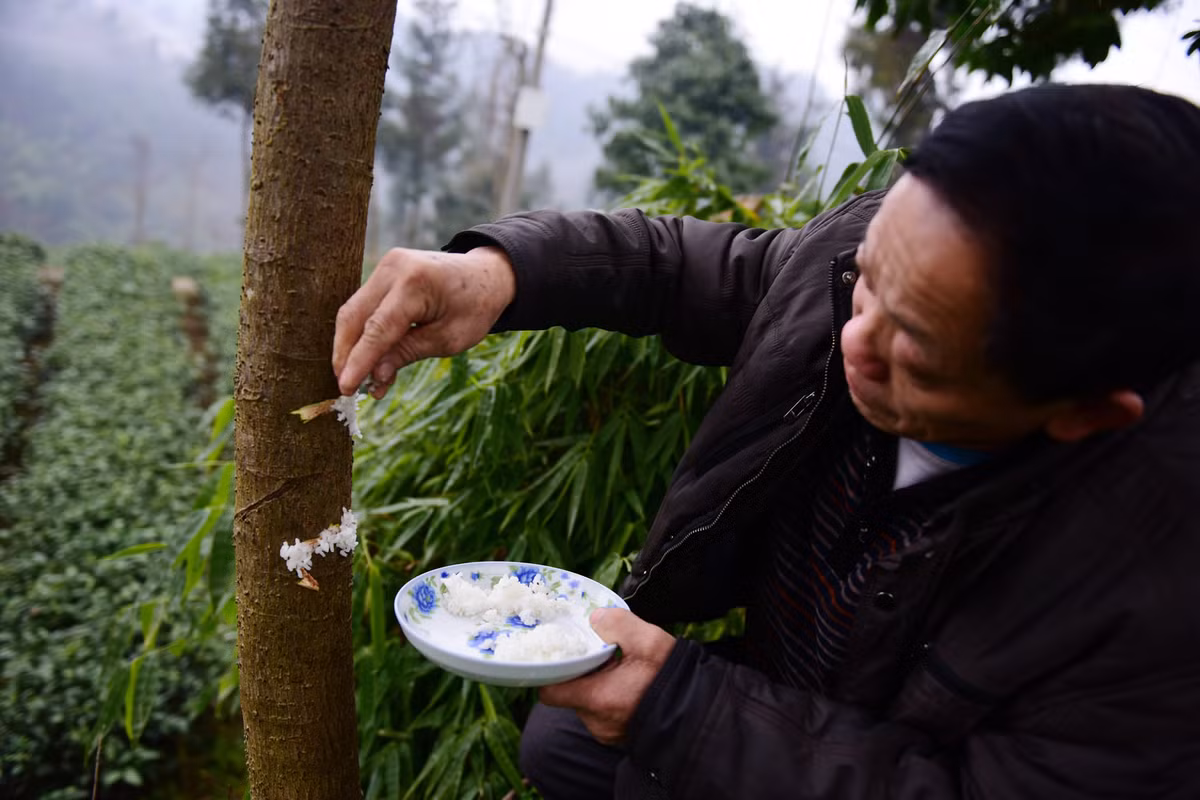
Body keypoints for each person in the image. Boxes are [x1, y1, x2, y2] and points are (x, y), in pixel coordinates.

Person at [332, 84, 1200, 798]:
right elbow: (679, 266)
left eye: (915, 350)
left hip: (893, 750)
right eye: (866, 286)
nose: (853, 339)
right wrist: (500, 273)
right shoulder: (883, 263)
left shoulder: (1159, 596)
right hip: (793, 682)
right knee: (563, 744)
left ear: (1086, 412)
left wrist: (681, 711)